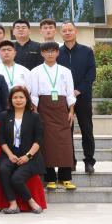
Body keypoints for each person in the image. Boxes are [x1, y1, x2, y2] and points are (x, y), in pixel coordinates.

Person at [29, 41, 77, 190]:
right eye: (46, 51)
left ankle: (65, 177)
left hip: (62, 108)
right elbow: (34, 94)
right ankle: (50, 178)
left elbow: (70, 93)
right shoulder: (35, 71)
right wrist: (35, 111)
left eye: (53, 51)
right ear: (42, 53)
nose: (50, 54)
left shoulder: (65, 71)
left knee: (65, 142)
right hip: (44, 108)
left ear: (57, 53)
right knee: (47, 143)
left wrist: (71, 111)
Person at [0, 86, 45, 214]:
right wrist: (10, 155)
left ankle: (31, 202)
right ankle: (13, 204)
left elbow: (39, 140)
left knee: (16, 178)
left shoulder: (34, 116)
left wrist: (28, 156)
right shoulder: (4, 116)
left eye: (21, 97)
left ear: (27, 99)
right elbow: (1, 138)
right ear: (10, 99)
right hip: (10, 155)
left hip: (30, 156)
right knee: (3, 169)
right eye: (15, 97)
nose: (18, 100)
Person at [58, 22, 97, 175]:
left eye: (70, 30)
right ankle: (70, 161)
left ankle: (89, 161)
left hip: (83, 96)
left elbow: (91, 74)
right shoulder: (57, 52)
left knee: (86, 129)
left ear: (76, 31)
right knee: (66, 131)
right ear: (61, 33)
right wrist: (66, 92)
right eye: (64, 31)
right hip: (63, 98)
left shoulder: (86, 51)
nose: (67, 33)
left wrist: (78, 90)